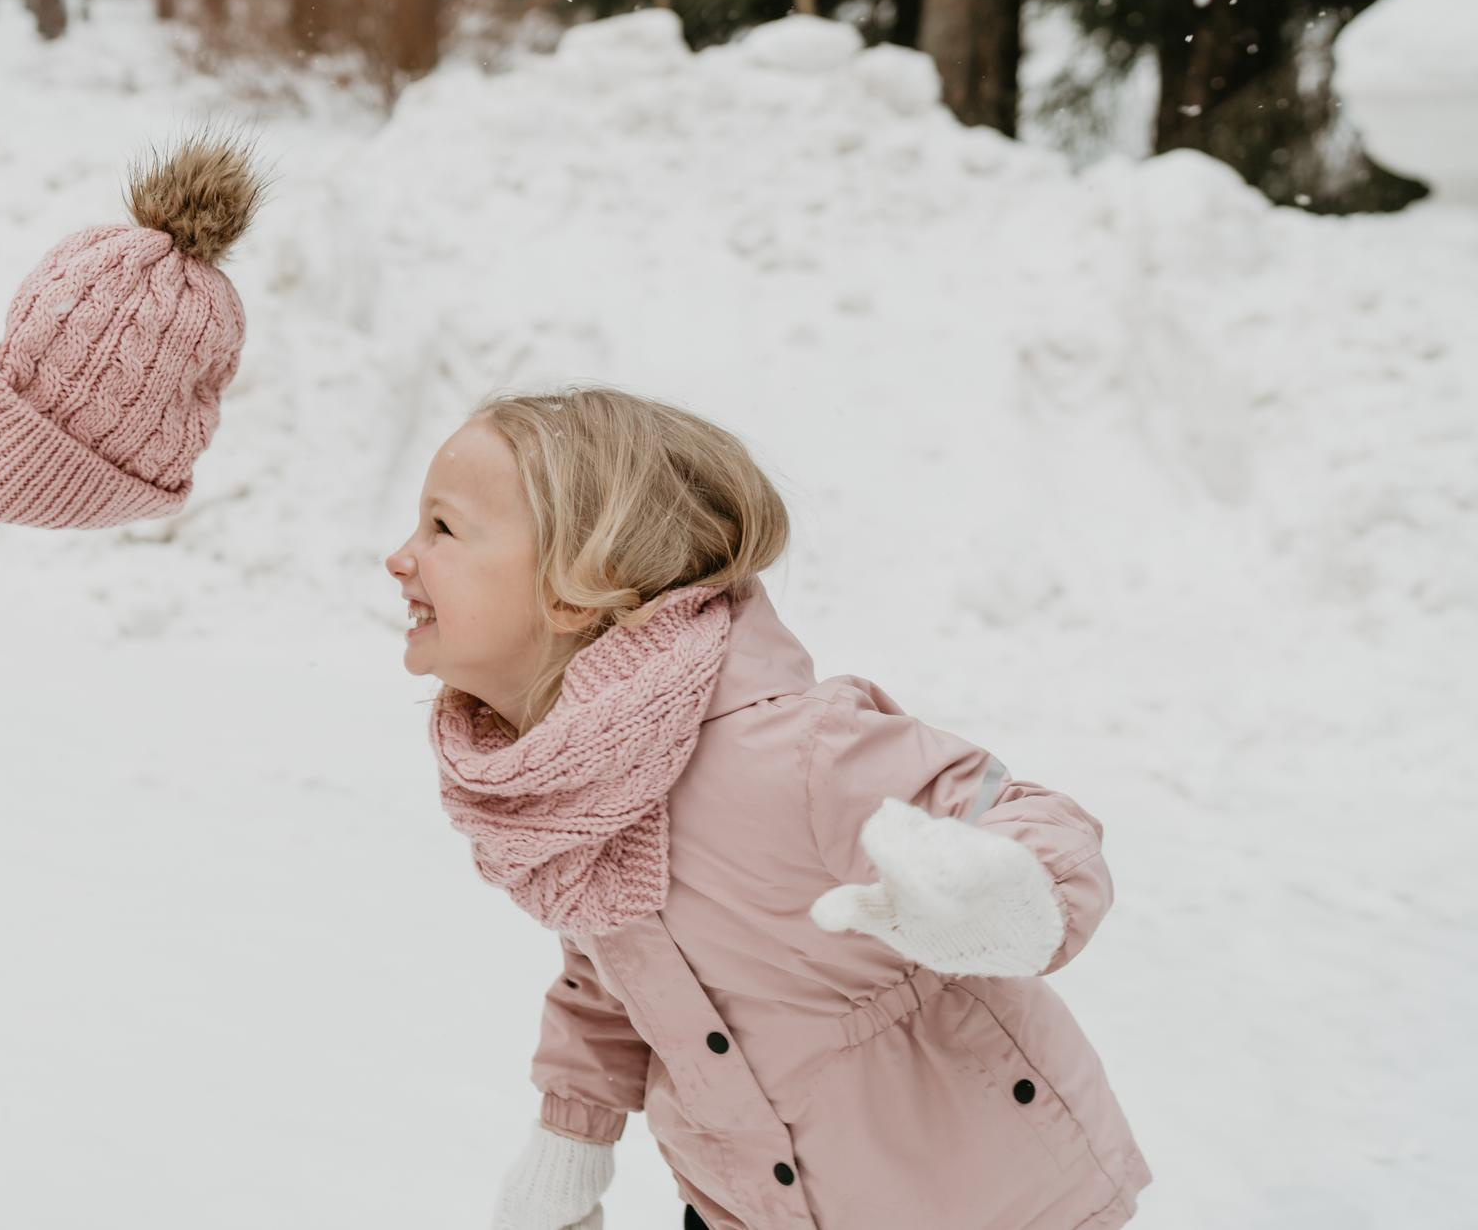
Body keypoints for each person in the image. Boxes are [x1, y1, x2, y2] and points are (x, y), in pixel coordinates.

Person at [389, 388, 1150, 1230]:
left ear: (579, 589)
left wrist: (1006, 894)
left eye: (444, 529)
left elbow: (1035, 818)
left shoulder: (790, 749)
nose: (400, 556)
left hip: (987, 1205)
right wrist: (569, 1145)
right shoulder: (581, 784)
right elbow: (615, 975)